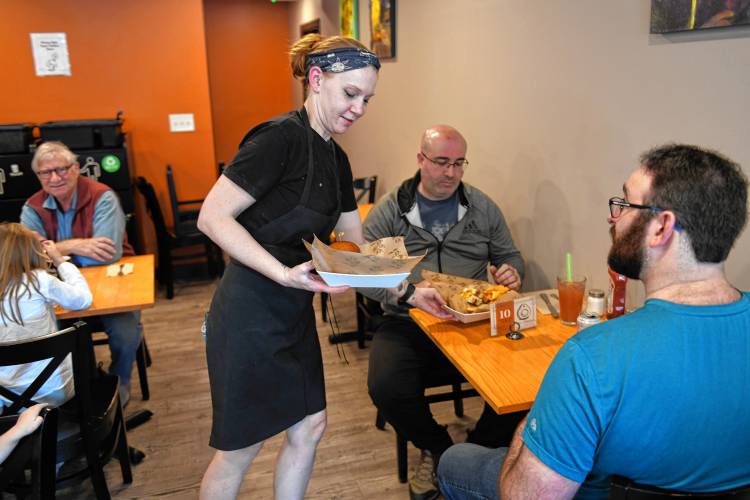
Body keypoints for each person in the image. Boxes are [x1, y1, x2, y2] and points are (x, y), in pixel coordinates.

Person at [437, 144, 750, 499]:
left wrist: (535, 420)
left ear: (662, 227)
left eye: (625, 204)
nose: (612, 217)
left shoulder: (591, 358)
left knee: (455, 459)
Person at [197, 34, 402, 500]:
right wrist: (283, 272)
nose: (359, 108)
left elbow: (354, 248)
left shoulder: (336, 156)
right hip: (250, 311)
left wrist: (407, 288)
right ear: (315, 79)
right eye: (350, 94)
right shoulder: (279, 138)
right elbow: (211, 216)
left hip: (292, 313)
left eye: (367, 99)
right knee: (240, 448)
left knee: (310, 426)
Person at [361, 125, 526, 500]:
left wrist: (512, 270)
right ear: (421, 159)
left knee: (523, 386)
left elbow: (509, 256)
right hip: (407, 322)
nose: (450, 173)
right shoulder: (390, 210)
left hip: (472, 322)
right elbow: (362, 272)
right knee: (386, 387)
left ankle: (477, 449)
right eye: (440, 163)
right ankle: (439, 449)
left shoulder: (482, 207)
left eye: (458, 163)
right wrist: (408, 295)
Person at [20, 141, 140, 406]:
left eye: (61, 170)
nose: (54, 178)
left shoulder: (103, 196)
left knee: (126, 333)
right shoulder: (32, 207)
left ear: (76, 168)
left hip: (111, 282)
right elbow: (27, 255)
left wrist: (53, 249)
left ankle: (120, 380)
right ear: (38, 176)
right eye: (46, 173)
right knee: (51, 336)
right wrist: (77, 245)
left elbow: (107, 253)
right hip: (61, 289)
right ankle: (76, 387)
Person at [0, 223, 92, 412]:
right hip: (55, 392)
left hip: (7, 400)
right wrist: (61, 262)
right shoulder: (39, 281)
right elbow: (83, 300)